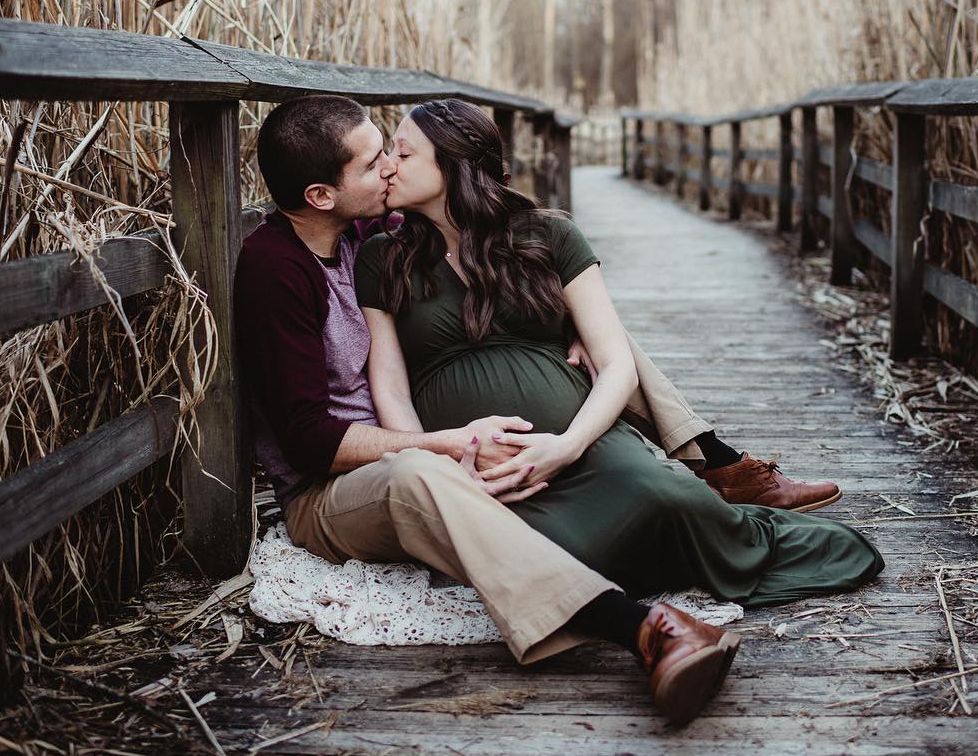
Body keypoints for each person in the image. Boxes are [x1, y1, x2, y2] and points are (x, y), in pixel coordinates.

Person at [235, 95, 738, 724]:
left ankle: (717, 458)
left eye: (392, 151)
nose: (389, 168)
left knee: (591, 327)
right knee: (418, 476)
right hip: (331, 490)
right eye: (372, 163)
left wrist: (562, 328)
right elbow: (311, 442)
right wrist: (447, 444)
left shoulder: (363, 228)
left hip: (410, 448)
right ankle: (643, 629)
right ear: (320, 196)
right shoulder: (274, 270)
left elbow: (467, 232)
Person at [354, 98, 884, 609]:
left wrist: (566, 446)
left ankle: (723, 513)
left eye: (402, 153)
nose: (388, 168)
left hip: (581, 443)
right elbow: (392, 387)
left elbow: (616, 364)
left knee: (667, 500)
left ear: (456, 163)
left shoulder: (550, 236)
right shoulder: (385, 257)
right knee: (565, 555)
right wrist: (442, 464)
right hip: (477, 465)